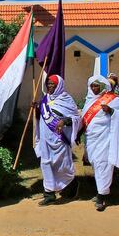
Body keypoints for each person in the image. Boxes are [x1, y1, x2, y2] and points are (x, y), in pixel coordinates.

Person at [78, 75, 119, 211]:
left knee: (103, 164)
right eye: (92, 86)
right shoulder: (89, 101)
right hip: (91, 140)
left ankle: (101, 196)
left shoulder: (113, 100)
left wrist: (111, 111)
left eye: (97, 86)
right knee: (96, 163)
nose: (94, 88)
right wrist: (78, 133)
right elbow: (84, 120)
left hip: (105, 139)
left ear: (103, 87)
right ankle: (101, 190)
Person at [34, 75, 81, 205]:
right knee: (45, 163)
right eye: (48, 84)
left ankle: (72, 185)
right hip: (45, 138)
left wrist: (63, 121)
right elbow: (40, 118)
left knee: (63, 165)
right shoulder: (45, 99)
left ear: (58, 85)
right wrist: (37, 109)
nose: (49, 86)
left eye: (52, 84)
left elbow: (76, 119)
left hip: (59, 138)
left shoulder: (66, 99)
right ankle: (49, 193)